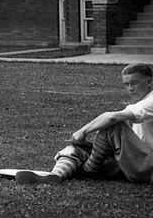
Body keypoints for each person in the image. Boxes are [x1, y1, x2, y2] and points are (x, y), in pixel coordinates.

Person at [16, 63, 153, 185]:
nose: (129, 88)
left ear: (149, 82)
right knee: (76, 149)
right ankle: (55, 176)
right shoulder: (142, 102)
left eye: (134, 83)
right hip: (133, 163)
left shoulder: (150, 101)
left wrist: (83, 131)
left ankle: (89, 170)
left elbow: (111, 118)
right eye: (126, 84)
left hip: (147, 168)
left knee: (113, 125)